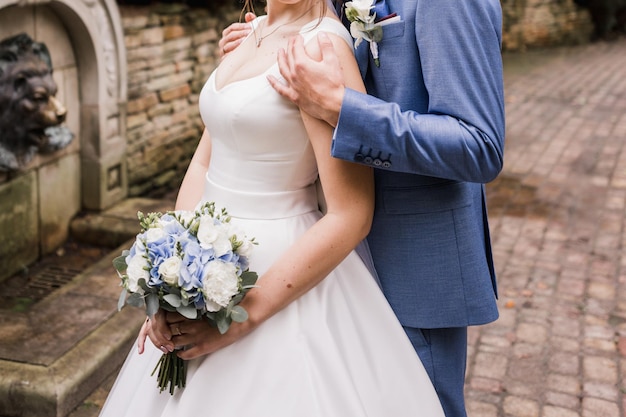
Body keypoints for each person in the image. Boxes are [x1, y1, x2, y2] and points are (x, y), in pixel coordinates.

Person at [99, 1, 445, 416]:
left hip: (278, 268)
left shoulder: (321, 49)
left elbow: (350, 213)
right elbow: (205, 162)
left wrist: (243, 318)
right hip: (204, 259)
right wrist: (169, 290)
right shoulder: (250, 34)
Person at [220, 0, 506, 416]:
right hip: (321, 262)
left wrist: (343, 108)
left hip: (410, 267)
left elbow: (478, 146)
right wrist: (269, 42)